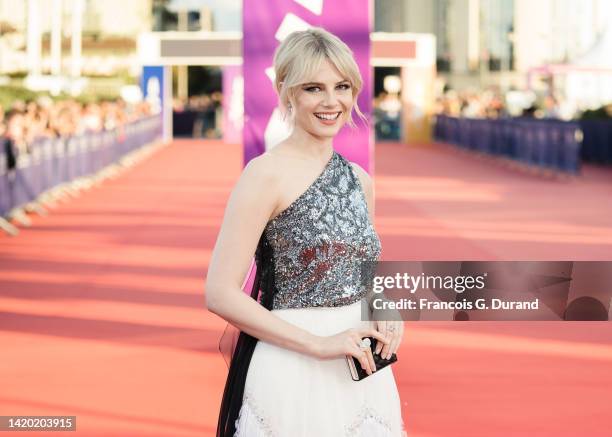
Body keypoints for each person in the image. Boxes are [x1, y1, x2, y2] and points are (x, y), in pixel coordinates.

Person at [205, 27, 406, 437]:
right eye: (314, 88)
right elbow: (220, 292)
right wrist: (318, 344)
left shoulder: (359, 179)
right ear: (287, 91)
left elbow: (362, 275)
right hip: (291, 365)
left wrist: (383, 308)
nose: (332, 102)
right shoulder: (265, 174)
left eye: (342, 86)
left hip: (361, 371)